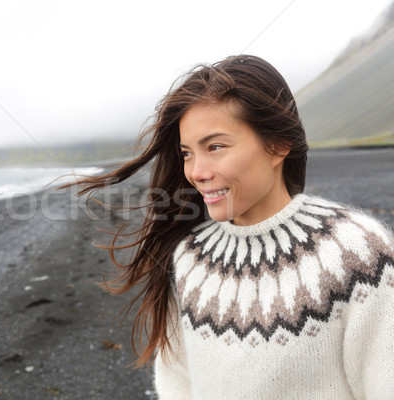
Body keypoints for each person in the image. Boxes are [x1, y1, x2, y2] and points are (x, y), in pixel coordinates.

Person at [57, 54, 394, 398]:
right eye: (187, 153)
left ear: (278, 145)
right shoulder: (188, 256)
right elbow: (178, 385)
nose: (196, 172)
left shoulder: (359, 255)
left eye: (215, 147)